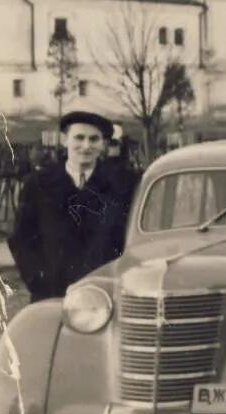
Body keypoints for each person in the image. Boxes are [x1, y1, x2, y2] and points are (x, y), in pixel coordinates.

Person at [9, 110, 137, 301]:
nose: (86, 146)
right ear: (64, 140)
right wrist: (38, 280)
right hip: (52, 293)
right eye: (79, 138)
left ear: (103, 144)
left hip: (105, 294)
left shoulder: (123, 185)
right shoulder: (39, 184)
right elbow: (21, 238)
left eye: (94, 139)